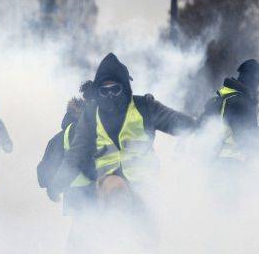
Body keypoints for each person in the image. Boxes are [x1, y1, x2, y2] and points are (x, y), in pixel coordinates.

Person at [51, 53, 196, 212]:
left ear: (125, 87)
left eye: (115, 89)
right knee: (114, 192)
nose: (110, 95)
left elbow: (174, 121)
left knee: (149, 230)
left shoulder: (144, 107)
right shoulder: (91, 116)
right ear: (98, 92)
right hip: (109, 186)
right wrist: (57, 184)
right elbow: (76, 154)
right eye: (104, 91)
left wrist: (200, 125)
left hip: (143, 185)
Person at [200, 59, 259, 166]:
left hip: (212, 164)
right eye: (258, 83)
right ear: (253, 81)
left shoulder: (223, 96)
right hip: (232, 167)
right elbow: (247, 140)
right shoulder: (241, 103)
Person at [37, 81, 95, 214]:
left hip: (81, 194)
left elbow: (47, 167)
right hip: (90, 195)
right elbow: (73, 161)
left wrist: (53, 187)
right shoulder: (78, 129)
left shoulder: (71, 130)